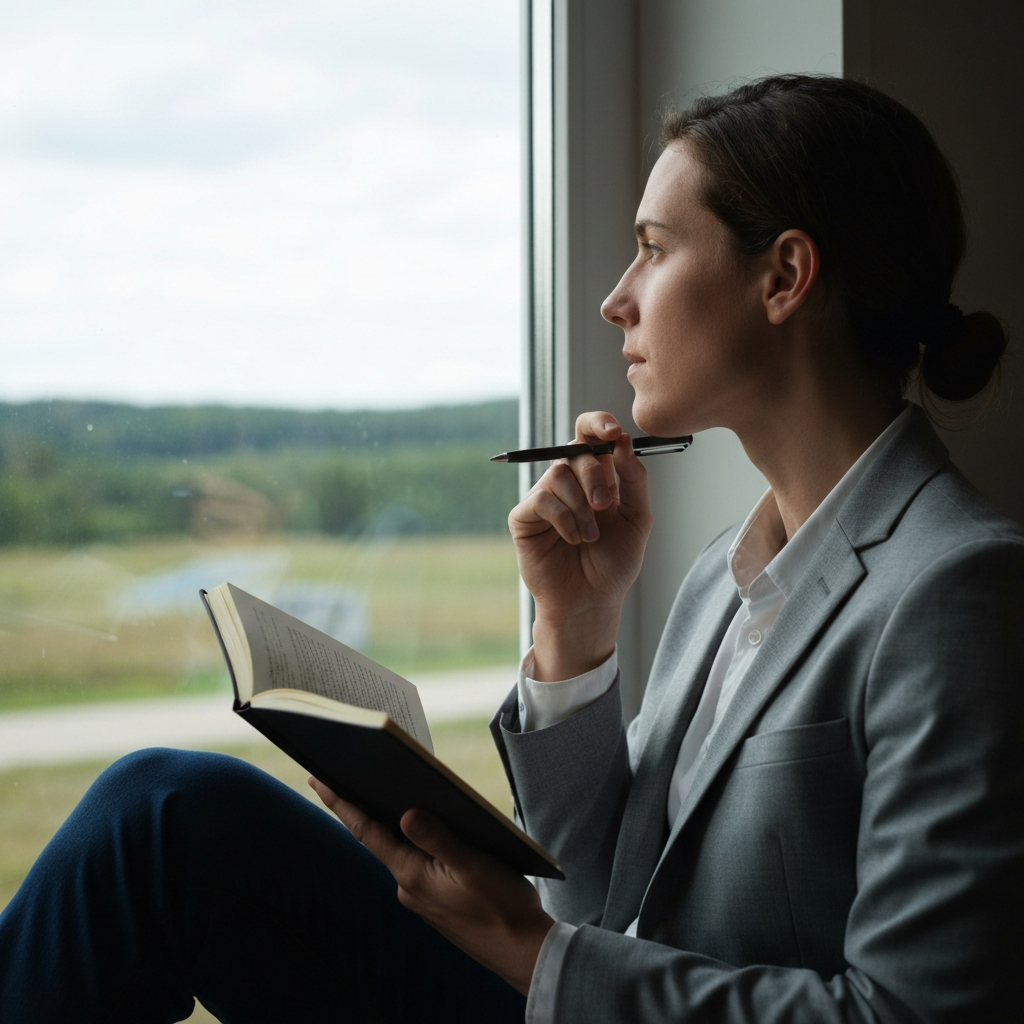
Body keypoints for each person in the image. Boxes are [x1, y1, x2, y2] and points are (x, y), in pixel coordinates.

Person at [1, 74, 1021, 1024]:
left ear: (785, 276)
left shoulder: (959, 589)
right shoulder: (725, 574)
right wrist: (573, 628)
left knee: (164, 814)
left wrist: (535, 954)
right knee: (169, 813)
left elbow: (910, 1014)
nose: (617, 298)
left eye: (656, 249)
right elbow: (602, 900)